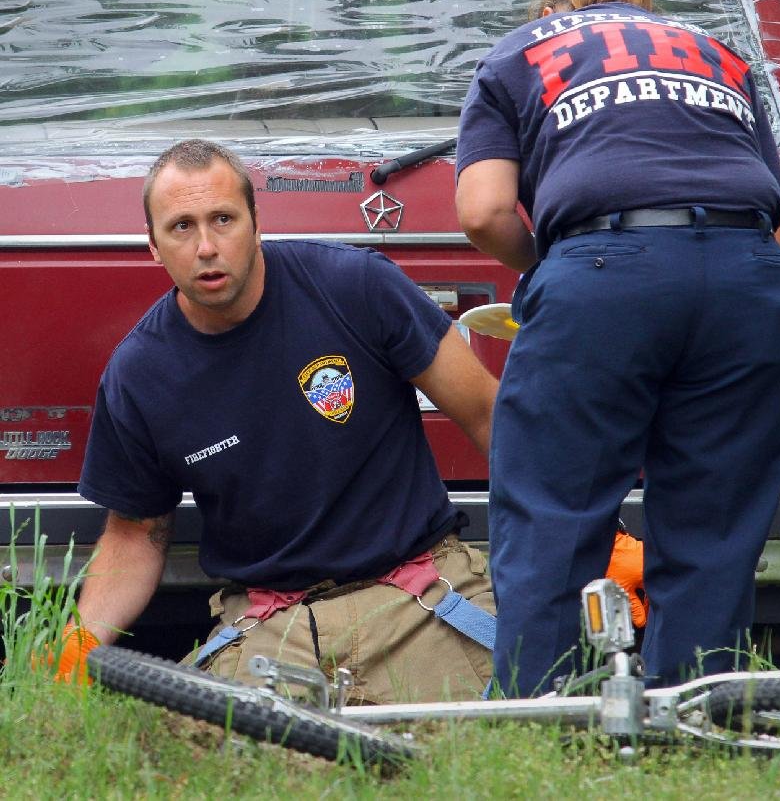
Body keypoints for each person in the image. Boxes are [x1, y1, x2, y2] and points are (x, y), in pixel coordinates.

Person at [455, 0, 780, 695]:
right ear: (645, 10)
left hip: (605, 264)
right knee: (715, 522)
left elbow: (482, 211)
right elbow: (775, 220)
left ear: (554, 12)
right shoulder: (716, 53)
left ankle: (537, 717)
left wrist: (562, 273)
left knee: (554, 511)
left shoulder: (519, 52)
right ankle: (698, 713)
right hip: (750, 278)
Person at [59, 138, 500, 703]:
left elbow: (489, 414)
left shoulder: (355, 287)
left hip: (417, 596)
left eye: (223, 219)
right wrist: (78, 642)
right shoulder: (140, 373)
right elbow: (138, 535)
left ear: (256, 222)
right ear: (153, 247)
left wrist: (591, 534)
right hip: (269, 623)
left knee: (474, 759)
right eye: (181, 228)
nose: (207, 247)